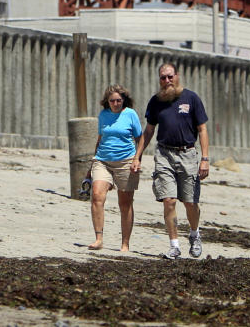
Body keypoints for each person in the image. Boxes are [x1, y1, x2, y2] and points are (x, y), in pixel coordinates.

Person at [131, 62, 209, 259]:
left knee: (190, 202)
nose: (167, 81)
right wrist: (137, 156)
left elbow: (202, 129)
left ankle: (194, 234)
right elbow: (149, 131)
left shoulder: (191, 98)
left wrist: (205, 159)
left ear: (177, 76)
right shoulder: (156, 101)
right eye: (163, 78)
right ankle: (174, 245)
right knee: (169, 200)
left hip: (188, 155)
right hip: (164, 154)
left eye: (170, 76)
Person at [88, 84, 143, 252]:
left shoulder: (130, 114)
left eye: (119, 100)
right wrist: (92, 161)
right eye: (112, 101)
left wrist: (137, 159)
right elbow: (100, 138)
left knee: (125, 203)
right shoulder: (103, 115)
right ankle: (98, 239)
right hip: (103, 160)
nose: (116, 103)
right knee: (97, 195)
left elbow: (140, 138)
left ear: (123, 100)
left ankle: (125, 243)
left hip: (126, 161)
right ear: (107, 101)